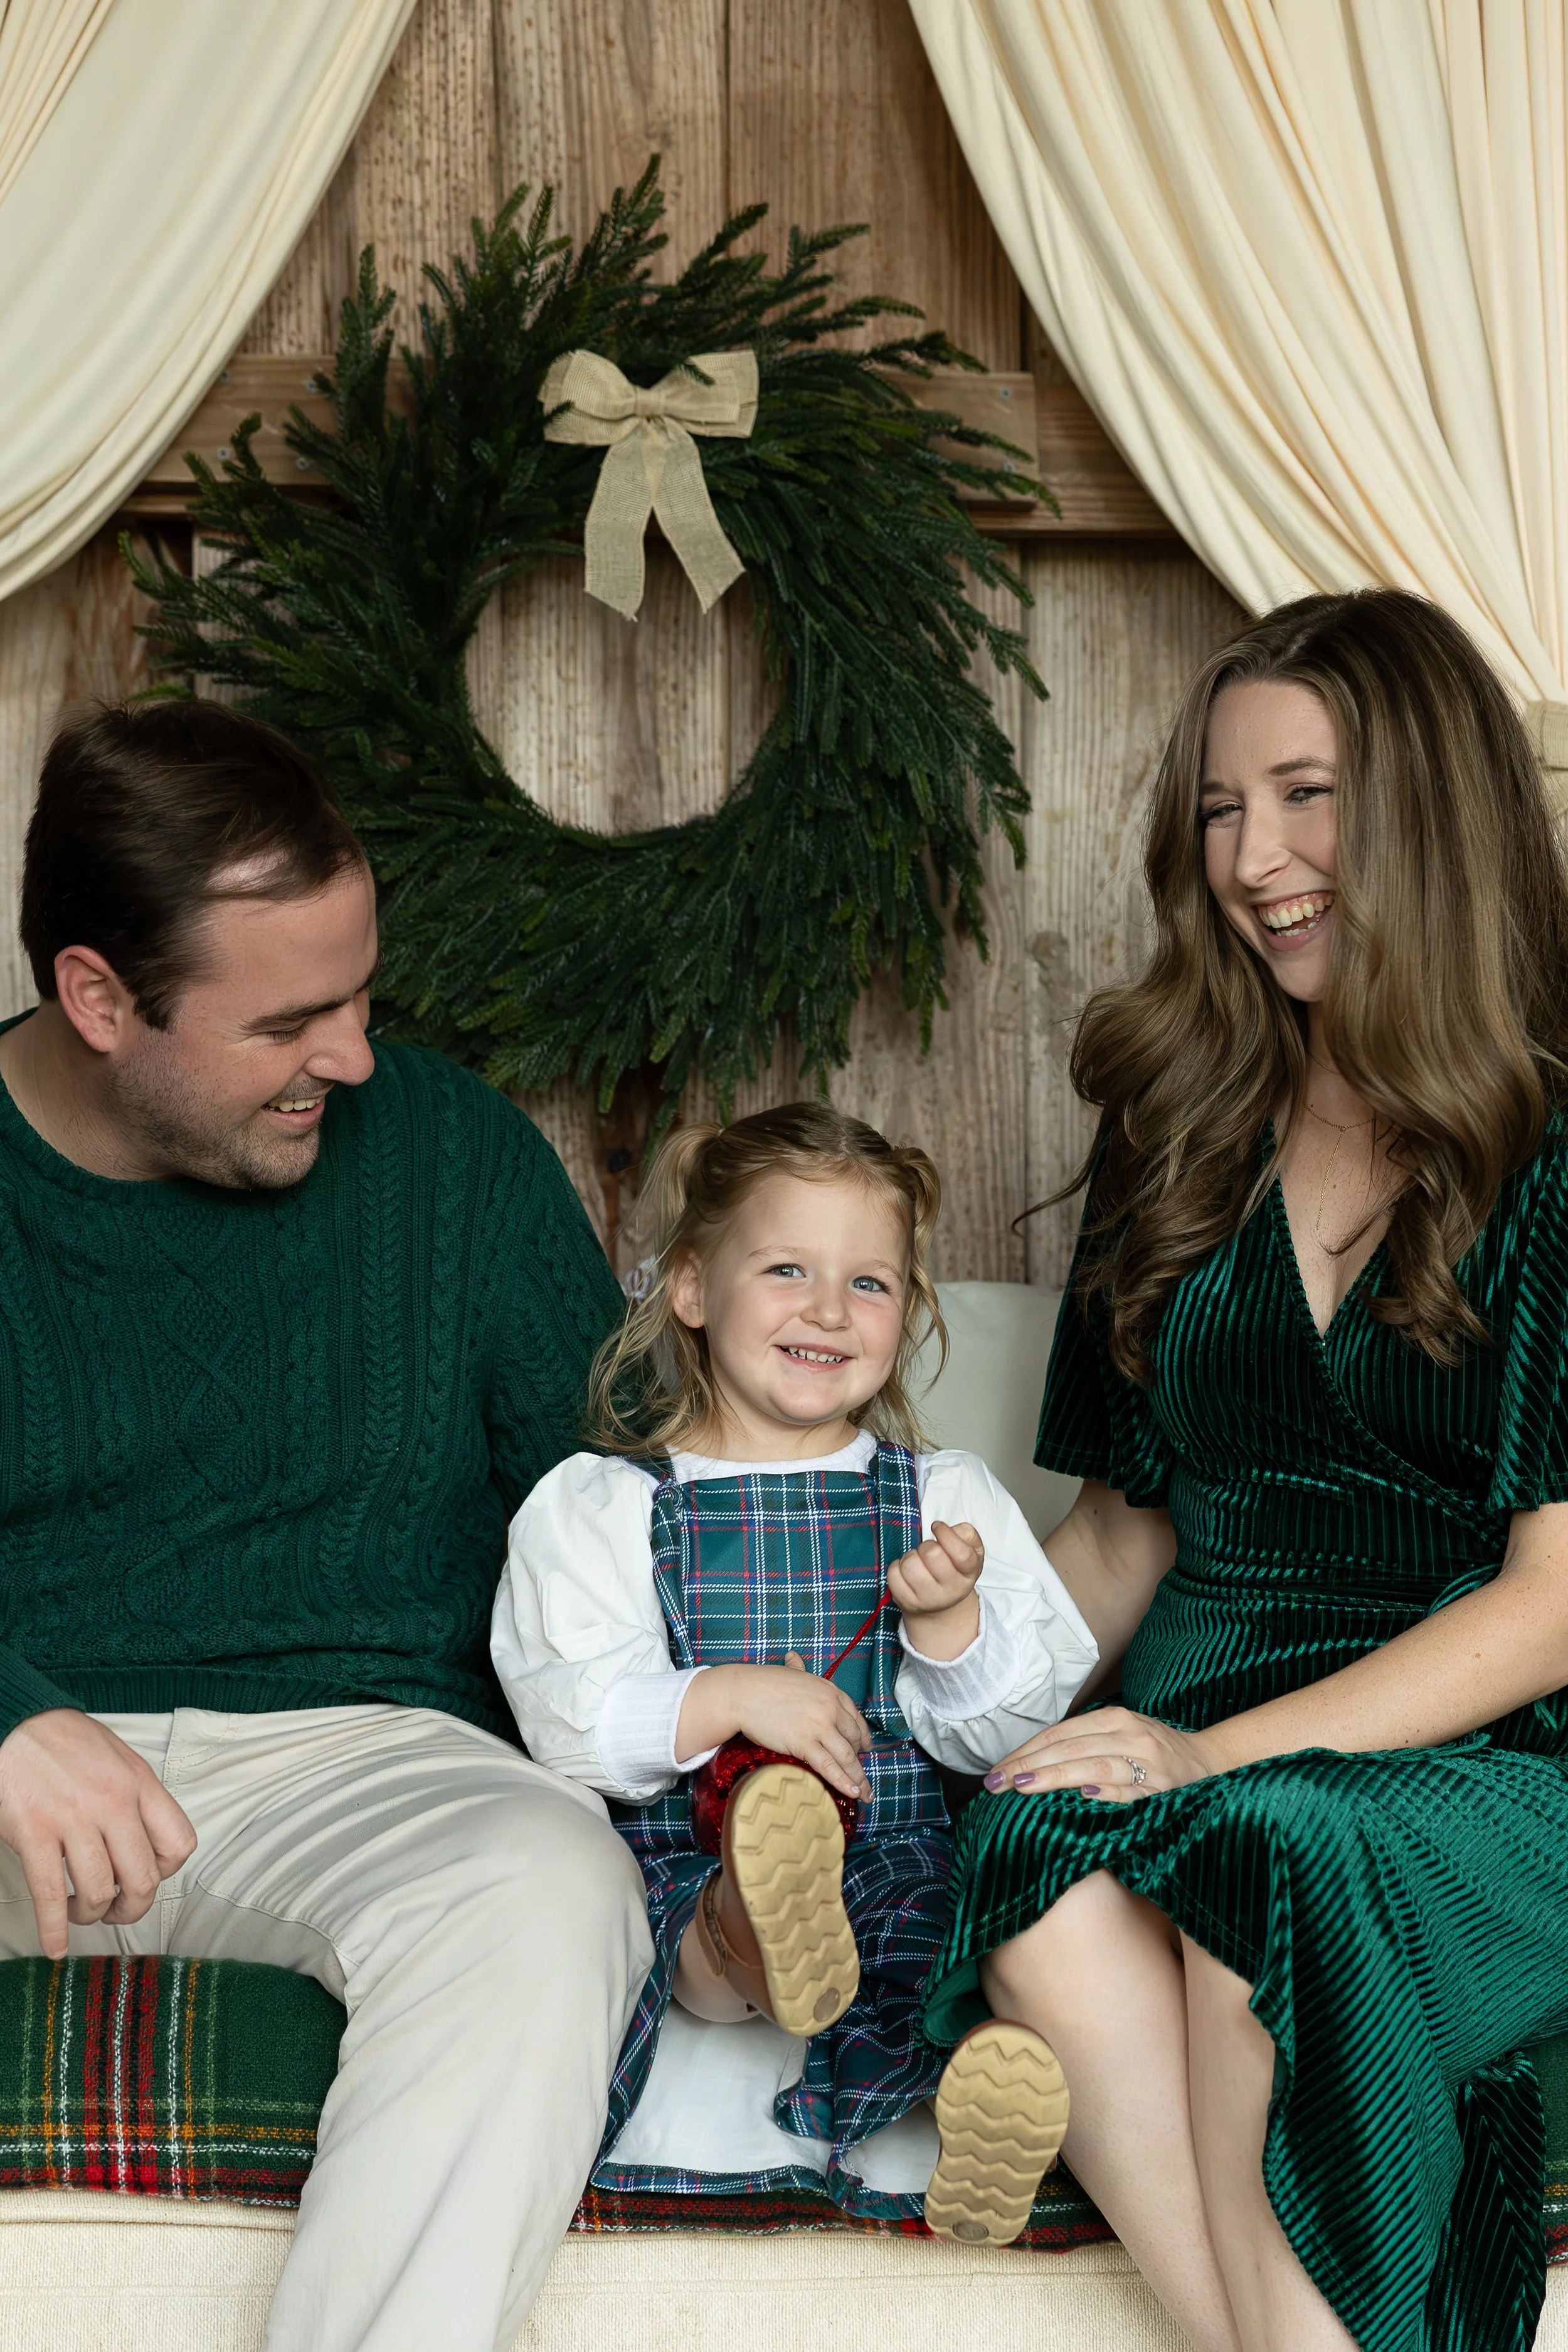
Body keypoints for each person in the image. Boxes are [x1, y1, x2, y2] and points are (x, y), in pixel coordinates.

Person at [922, 588, 1568, 2352]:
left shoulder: (1550, 1133)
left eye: (1304, 796)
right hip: (1205, 1726)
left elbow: (1549, 1606)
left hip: (1488, 1760)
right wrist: (938, 1701)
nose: (1251, 859)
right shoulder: (1178, 1119)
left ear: (1428, 808)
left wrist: (1207, 1754)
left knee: (1254, 1858)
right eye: (1219, 808)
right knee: (1029, 1849)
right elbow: (1122, 1534)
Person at [0, 699, 653, 2352]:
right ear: (99, 997)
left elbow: (625, 1509)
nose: (353, 1057)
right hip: (21, 1765)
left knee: (544, 1879)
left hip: (355, 1767)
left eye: (361, 996)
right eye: (289, 1020)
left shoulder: (447, 1156)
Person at [492, 1104, 1098, 2233]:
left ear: (908, 1310)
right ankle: (762, 1926)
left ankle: (979, 2104)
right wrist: (727, 1696)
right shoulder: (610, 1505)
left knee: (931, 1927)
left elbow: (1015, 1733)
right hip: (688, 1845)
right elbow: (567, 1718)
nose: (829, 1308)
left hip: (897, 1841)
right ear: (690, 1287)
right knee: (694, 1922)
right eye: (787, 1269)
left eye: (870, 1282)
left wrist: (951, 1622)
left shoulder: (944, 1498)